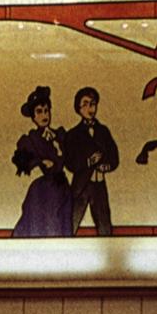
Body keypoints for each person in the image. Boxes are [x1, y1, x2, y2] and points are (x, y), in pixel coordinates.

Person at [11, 86, 73, 237]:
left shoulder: (60, 134)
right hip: (45, 189)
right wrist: (40, 161)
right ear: (33, 117)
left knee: (64, 221)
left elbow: (71, 156)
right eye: (39, 112)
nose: (44, 115)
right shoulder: (32, 138)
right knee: (46, 221)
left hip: (62, 185)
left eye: (46, 111)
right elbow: (21, 159)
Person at [63, 86, 119, 236]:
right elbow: (70, 162)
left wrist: (106, 166)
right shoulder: (73, 134)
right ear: (78, 108)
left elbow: (114, 156)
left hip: (99, 185)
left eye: (93, 104)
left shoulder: (103, 131)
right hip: (81, 185)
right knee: (71, 223)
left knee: (104, 225)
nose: (90, 108)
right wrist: (88, 162)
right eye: (86, 104)